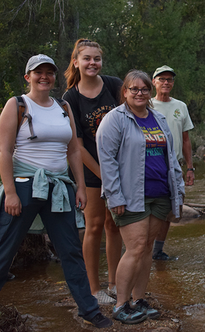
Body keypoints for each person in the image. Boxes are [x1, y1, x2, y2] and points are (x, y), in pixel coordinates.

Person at [0, 54, 112, 328]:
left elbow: (73, 149)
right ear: (28, 77)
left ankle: (88, 309)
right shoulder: (17, 105)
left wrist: (81, 187)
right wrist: (11, 192)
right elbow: (4, 150)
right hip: (25, 186)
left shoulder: (63, 106)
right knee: (4, 248)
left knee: (70, 250)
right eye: (38, 72)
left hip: (59, 188)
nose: (44, 77)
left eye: (49, 72)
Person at [96, 70, 184, 324]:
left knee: (147, 248)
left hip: (160, 194)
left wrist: (177, 190)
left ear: (150, 91)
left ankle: (139, 299)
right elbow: (107, 161)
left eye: (144, 89)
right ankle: (120, 304)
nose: (139, 93)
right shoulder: (115, 120)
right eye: (133, 89)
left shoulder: (158, 118)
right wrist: (115, 197)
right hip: (130, 195)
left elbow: (171, 157)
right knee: (134, 248)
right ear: (124, 92)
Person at [63, 38, 123, 304]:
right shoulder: (70, 98)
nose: (92, 63)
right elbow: (76, 145)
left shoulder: (113, 85)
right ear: (76, 62)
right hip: (91, 171)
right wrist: (103, 174)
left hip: (122, 167)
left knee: (115, 225)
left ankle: (114, 283)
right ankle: (93, 288)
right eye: (87, 58)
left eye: (96, 58)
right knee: (95, 226)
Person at [150, 65, 195, 261]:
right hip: (151, 163)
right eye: (162, 79)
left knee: (170, 210)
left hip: (174, 166)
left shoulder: (181, 106)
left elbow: (186, 140)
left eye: (169, 79)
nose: (166, 82)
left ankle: (157, 251)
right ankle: (143, 248)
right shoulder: (147, 104)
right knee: (149, 208)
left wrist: (190, 167)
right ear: (154, 82)